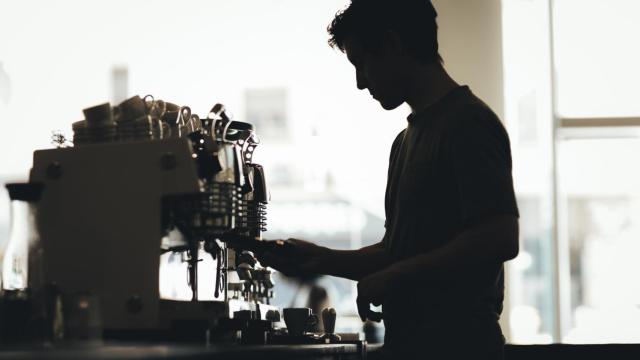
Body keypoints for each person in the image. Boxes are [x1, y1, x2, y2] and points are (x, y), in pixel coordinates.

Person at [258, 0, 519, 358]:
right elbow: (398, 251)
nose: (360, 82)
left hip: (460, 346)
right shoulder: (405, 141)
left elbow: (499, 238)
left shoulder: (468, 124)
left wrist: (396, 277)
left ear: (394, 45)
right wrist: (320, 259)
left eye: (362, 63)